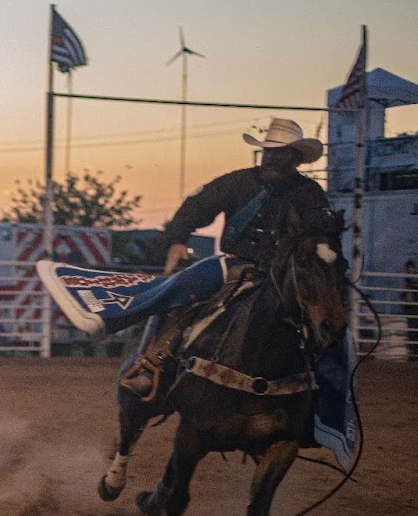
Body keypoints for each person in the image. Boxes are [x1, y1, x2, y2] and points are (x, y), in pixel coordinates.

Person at [98, 118, 338, 400]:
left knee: (333, 319)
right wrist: (177, 239)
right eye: (268, 151)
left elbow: (323, 233)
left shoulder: (309, 194)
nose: (270, 157)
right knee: (183, 286)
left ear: (295, 158)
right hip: (236, 265)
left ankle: (331, 399)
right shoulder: (239, 182)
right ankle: (151, 363)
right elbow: (197, 204)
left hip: (290, 276)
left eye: (279, 152)